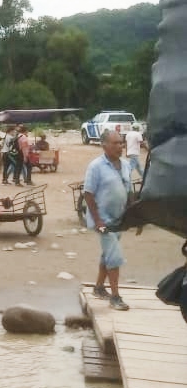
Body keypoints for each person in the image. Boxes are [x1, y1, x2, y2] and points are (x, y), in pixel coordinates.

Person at [84, 131, 133, 311]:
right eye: (115, 143)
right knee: (114, 256)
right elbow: (88, 194)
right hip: (103, 220)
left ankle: (98, 288)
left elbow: (128, 191)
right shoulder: (96, 166)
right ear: (104, 145)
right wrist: (98, 221)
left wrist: (134, 216)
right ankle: (115, 297)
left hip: (118, 219)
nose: (120, 146)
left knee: (107, 254)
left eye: (121, 143)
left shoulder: (126, 165)